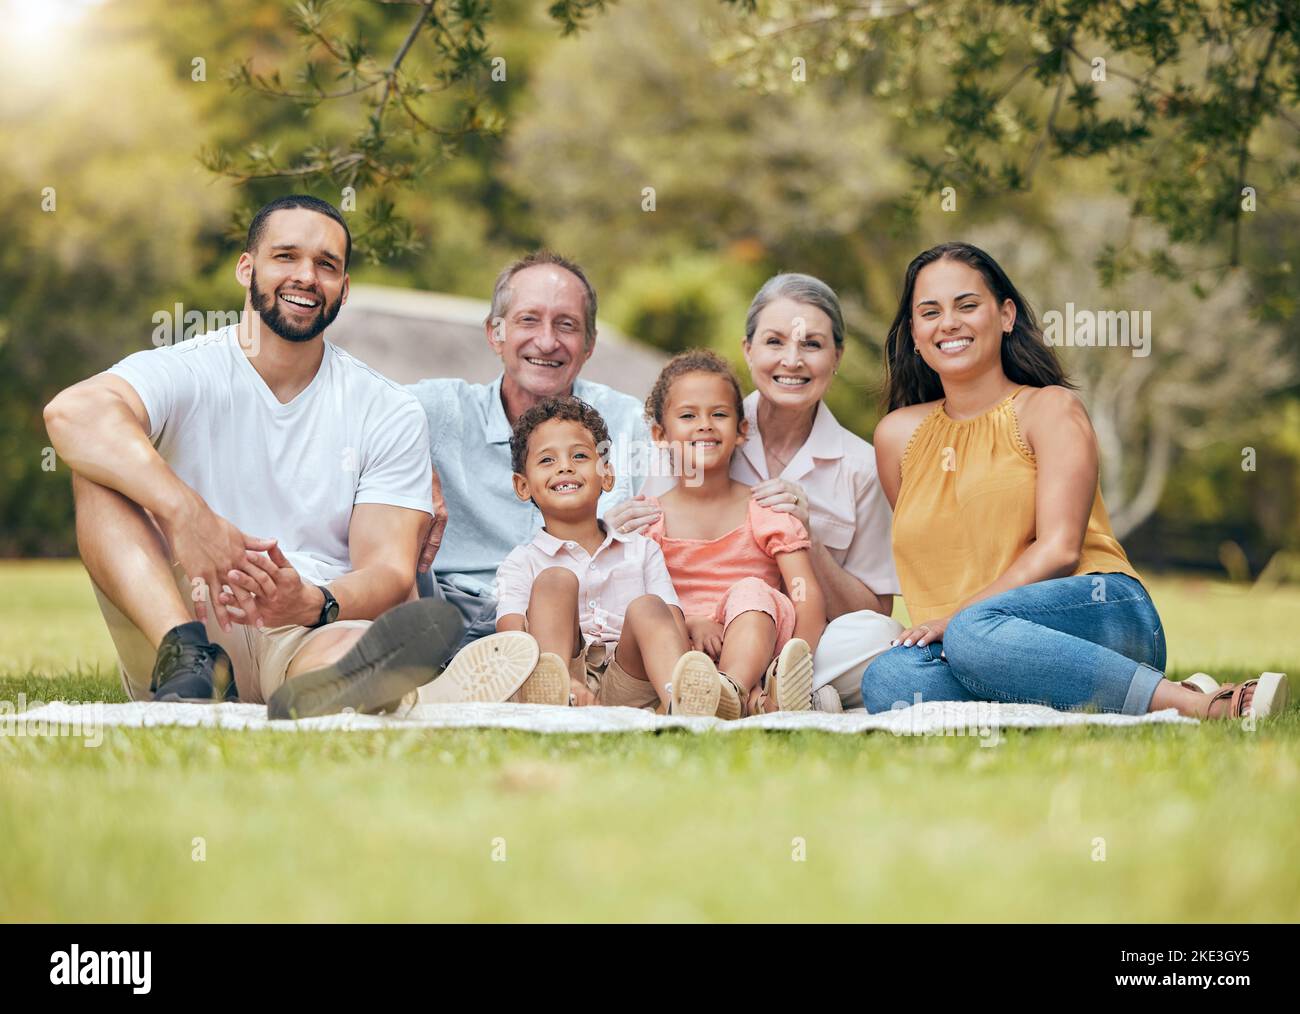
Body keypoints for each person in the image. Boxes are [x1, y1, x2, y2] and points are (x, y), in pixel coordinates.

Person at [43, 194, 464, 719]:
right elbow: (72, 413)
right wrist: (188, 514)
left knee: (339, 647)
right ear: (248, 269)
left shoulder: (388, 408)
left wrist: (313, 601)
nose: (307, 276)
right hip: (180, 612)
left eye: (326, 265)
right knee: (99, 464)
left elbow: (388, 571)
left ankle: (345, 680)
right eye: (286, 256)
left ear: (344, 288)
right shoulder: (188, 369)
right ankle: (190, 660)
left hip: (299, 614)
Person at [864, 241, 1290, 722]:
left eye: (967, 305)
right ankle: (1089, 689)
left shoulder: (1050, 409)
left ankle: (1196, 703)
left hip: (1099, 608)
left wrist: (961, 619)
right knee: (890, 679)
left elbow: (1061, 549)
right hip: (978, 643)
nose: (949, 323)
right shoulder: (896, 437)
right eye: (930, 312)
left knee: (972, 632)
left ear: (1005, 316)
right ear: (916, 336)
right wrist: (957, 627)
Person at [609, 273, 901, 711]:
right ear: (748, 350)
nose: (792, 360)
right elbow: (640, 569)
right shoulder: (697, 431)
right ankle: (751, 695)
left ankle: (764, 683)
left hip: (800, 631)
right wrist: (610, 532)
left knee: (880, 639)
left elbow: (876, 610)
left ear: (837, 355)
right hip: (684, 629)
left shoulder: (860, 465)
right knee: (648, 613)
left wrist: (810, 538)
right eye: (775, 342)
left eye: (812, 344)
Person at [407, 251, 651, 653]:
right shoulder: (439, 410)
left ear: (589, 345)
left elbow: (701, 487)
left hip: (583, 634)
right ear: (495, 334)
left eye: (567, 325)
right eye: (528, 319)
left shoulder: (628, 424)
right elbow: (349, 415)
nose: (547, 340)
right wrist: (407, 462)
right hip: (449, 622)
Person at [494, 397, 725, 715]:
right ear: (523, 486)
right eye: (547, 460)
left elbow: (670, 623)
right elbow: (511, 635)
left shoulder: (641, 550)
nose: (566, 466)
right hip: (561, 676)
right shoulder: (521, 561)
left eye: (579, 455)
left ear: (607, 476)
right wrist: (555, 680)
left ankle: (680, 703)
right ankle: (553, 696)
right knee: (554, 580)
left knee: (648, 606)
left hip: (631, 676)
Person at [638, 350, 827, 717]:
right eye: (688, 415)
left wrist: (791, 664)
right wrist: (694, 622)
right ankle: (725, 700)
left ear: (741, 431)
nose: (705, 425)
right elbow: (639, 603)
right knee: (656, 608)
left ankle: (732, 690)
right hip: (679, 653)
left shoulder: (766, 509)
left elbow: (806, 593)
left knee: (751, 590)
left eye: (719, 414)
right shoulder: (650, 519)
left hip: (757, 642)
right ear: (660, 434)